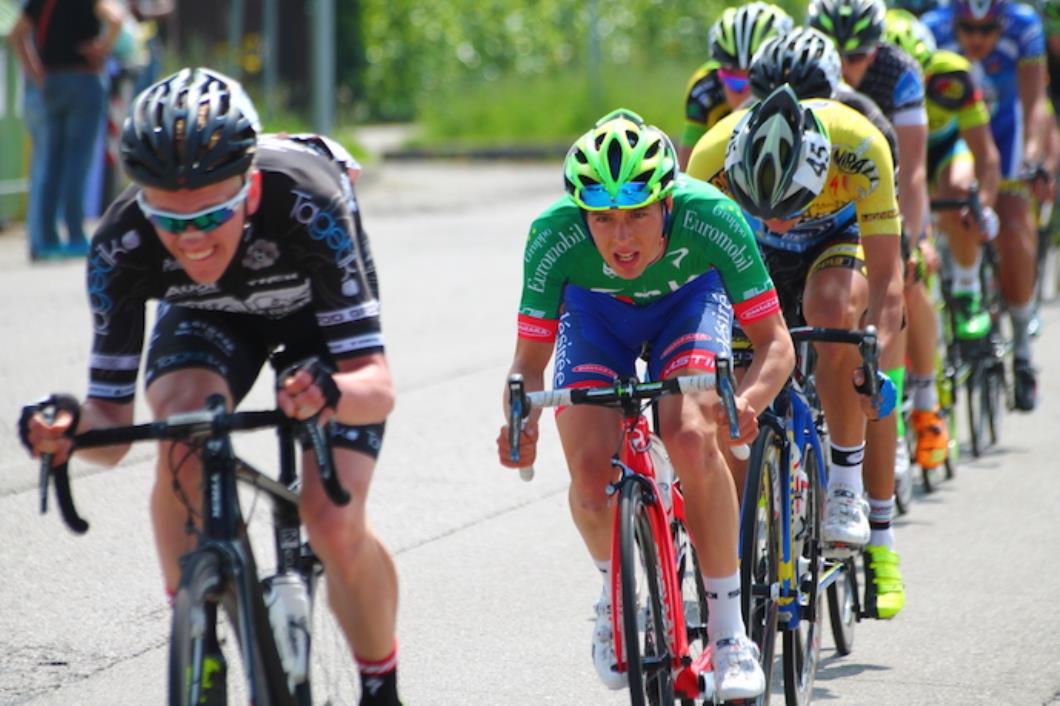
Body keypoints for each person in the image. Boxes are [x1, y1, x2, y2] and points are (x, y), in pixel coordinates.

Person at [17, 68, 403, 706]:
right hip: (209, 318)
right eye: (168, 217)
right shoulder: (120, 242)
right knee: (181, 430)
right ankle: (199, 632)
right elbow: (112, 428)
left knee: (332, 522)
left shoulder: (308, 200)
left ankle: (380, 685)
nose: (192, 238)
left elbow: (375, 384)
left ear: (249, 188)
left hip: (315, 322)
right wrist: (67, 432)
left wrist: (330, 393)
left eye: (213, 214)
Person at [497, 108, 794, 700]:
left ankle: (730, 633)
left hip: (688, 304)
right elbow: (526, 369)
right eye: (603, 220)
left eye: (637, 215)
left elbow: (775, 344)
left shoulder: (712, 217)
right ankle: (616, 595)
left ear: (667, 204)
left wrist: (750, 402)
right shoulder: (552, 235)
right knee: (587, 473)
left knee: (688, 433)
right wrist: (517, 423)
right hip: (595, 317)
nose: (621, 237)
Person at [688, 85, 906, 619]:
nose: (779, 220)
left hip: (836, 239)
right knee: (736, 394)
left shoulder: (862, 147)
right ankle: (741, 549)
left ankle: (848, 488)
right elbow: (690, 282)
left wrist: (874, 360)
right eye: (764, 208)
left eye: (789, 206)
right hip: (751, 253)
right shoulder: (708, 160)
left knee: (831, 312)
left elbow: (888, 281)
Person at [922, 0, 1052, 411]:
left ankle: (1023, 353)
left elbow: (1035, 104)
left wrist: (1032, 157)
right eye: (967, 30)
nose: (977, 40)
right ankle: (963, 294)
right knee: (952, 202)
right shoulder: (931, 28)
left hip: (1006, 131)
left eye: (988, 30)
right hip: (955, 135)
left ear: (1003, 22)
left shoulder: (1024, 25)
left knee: (1013, 228)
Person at [9, 0, 123, 260]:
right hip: (84, 80)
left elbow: (18, 33)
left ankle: (47, 239)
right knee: (77, 162)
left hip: (52, 81)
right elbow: (116, 19)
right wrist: (102, 49)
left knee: (50, 162)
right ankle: (74, 235)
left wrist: (34, 70)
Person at [677, 2, 793, 169]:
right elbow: (686, 175)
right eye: (735, 83)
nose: (747, 96)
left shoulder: (800, 87)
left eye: (756, 83)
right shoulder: (703, 91)